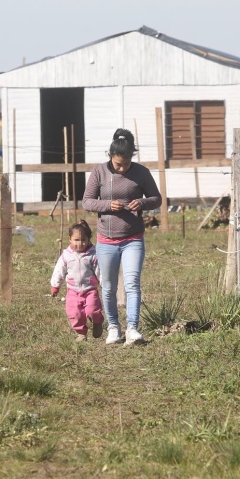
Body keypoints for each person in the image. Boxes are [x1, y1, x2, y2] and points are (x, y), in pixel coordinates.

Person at [81, 128, 161, 345]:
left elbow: (157, 199)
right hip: (106, 240)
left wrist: (142, 202)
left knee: (132, 283)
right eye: (118, 164)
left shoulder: (142, 172)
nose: (122, 168)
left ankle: (133, 328)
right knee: (108, 286)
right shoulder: (99, 173)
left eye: (126, 164)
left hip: (133, 238)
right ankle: (114, 327)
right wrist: (108, 205)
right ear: (110, 156)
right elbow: (87, 201)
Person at [50, 220, 104, 342]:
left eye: (83, 240)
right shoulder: (66, 256)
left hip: (90, 290)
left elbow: (100, 271)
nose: (80, 243)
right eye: (76, 240)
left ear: (88, 239)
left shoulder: (93, 255)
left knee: (92, 310)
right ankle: (81, 333)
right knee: (75, 313)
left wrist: (104, 283)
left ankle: (97, 322)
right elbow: (59, 271)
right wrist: (55, 286)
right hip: (73, 291)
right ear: (70, 239)